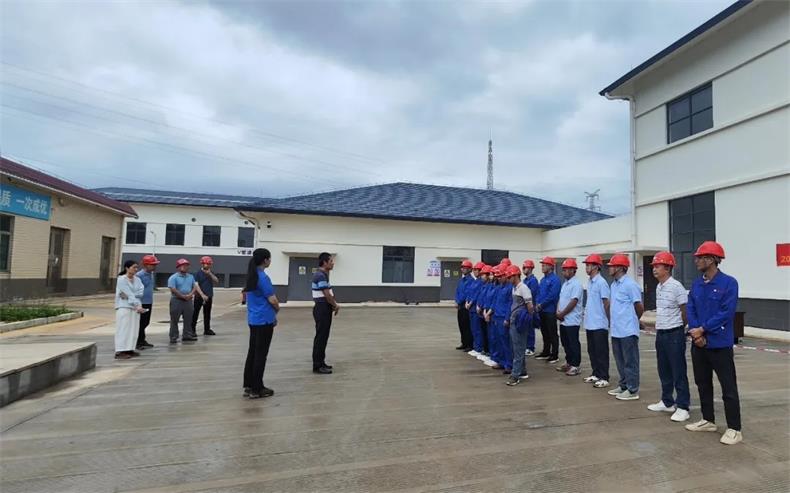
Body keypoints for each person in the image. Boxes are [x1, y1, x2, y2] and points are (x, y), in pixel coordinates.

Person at [684, 241, 742, 445]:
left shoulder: (729, 283)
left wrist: (703, 329)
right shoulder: (697, 284)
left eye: (700, 258)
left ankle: (734, 428)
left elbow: (726, 312)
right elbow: (691, 308)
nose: (697, 261)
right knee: (702, 383)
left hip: (719, 345)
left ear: (711, 260)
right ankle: (708, 420)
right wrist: (696, 333)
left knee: (728, 387)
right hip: (699, 343)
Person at [648, 251, 691, 423]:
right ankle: (667, 401)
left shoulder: (676, 286)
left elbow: (685, 311)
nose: (654, 269)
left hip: (674, 333)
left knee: (678, 371)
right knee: (663, 369)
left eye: (657, 266)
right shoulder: (659, 287)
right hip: (661, 332)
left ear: (667, 268)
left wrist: (680, 327)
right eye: (654, 266)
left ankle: (683, 406)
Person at [242, 248, 280, 399]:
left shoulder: (251, 276)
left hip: (253, 319)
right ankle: (257, 388)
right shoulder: (263, 278)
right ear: (265, 260)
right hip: (264, 321)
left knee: (252, 352)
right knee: (260, 354)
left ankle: (249, 385)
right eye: (269, 259)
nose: (270, 261)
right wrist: (277, 309)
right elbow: (272, 299)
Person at [606, 253, 644, 401]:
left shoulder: (630, 285)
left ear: (621, 268)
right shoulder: (614, 285)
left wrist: (634, 320)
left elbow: (639, 306)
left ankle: (632, 389)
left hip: (628, 330)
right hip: (616, 330)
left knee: (630, 361)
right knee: (620, 360)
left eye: (612, 266)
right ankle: (623, 385)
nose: (609, 268)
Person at [582, 254, 611, 388]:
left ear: (596, 267)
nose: (586, 267)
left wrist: (609, 320)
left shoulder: (601, 282)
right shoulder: (590, 282)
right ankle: (596, 373)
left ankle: (604, 377)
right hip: (590, 323)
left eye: (588, 265)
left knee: (601, 352)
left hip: (599, 323)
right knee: (592, 350)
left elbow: (606, 303)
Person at [506, 264, 534, 386]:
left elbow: (530, 307)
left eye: (509, 277)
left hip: (519, 323)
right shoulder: (514, 288)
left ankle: (515, 375)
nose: (508, 279)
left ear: (515, 276)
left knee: (518, 349)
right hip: (514, 321)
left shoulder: (524, 288)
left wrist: (525, 319)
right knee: (516, 347)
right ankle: (522, 371)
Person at [312, 252, 339, 374]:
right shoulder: (320, 275)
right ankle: (317, 365)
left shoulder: (323, 275)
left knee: (323, 337)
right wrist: (335, 305)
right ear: (324, 262)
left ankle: (321, 362)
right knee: (321, 337)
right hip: (322, 308)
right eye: (331, 261)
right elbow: (327, 295)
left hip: (324, 308)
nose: (333, 263)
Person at [556, 258, 583, 376]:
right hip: (563, 320)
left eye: (566, 269)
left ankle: (575, 365)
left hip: (572, 320)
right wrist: (558, 311)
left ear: (573, 270)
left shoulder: (576, 284)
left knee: (573, 343)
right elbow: (561, 299)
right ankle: (569, 362)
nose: (564, 272)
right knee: (565, 342)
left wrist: (562, 314)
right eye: (563, 270)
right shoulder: (565, 284)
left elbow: (574, 301)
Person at [115, 260, 147, 360]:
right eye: (134, 267)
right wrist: (134, 301)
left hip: (135, 308)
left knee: (133, 329)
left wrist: (130, 297)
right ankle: (120, 350)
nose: (136, 269)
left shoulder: (138, 280)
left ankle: (130, 349)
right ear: (127, 268)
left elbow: (140, 293)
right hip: (124, 307)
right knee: (124, 329)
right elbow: (127, 293)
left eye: (137, 267)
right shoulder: (121, 279)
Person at [535, 257, 561, 364]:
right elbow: (539, 293)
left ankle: (554, 354)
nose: (542, 267)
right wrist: (537, 303)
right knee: (544, 332)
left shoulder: (555, 280)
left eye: (545, 265)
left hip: (550, 310)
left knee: (552, 332)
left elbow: (553, 296)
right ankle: (546, 351)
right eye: (542, 265)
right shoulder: (542, 280)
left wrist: (541, 304)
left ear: (551, 266)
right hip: (542, 310)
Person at [168, 258, 197, 343]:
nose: (185, 267)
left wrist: (190, 295)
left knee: (188, 319)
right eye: (183, 265)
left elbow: (194, 287)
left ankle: (187, 335)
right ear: (178, 267)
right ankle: (173, 336)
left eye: (186, 265)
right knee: (174, 320)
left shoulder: (191, 277)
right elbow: (173, 289)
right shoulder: (173, 277)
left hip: (188, 301)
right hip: (176, 300)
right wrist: (182, 296)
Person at [493, 264, 514, 374]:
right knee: (499, 341)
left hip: (503, 317)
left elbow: (510, 304)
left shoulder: (510, 288)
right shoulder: (499, 287)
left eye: (501, 276)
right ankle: (501, 361)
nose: (499, 278)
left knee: (506, 342)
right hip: (497, 316)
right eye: (498, 277)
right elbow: (496, 302)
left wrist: (507, 318)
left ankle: (508, 364)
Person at [135, 254, 159, 349]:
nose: (154, 266)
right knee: (140, 323)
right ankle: (137, 342)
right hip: (141, 303)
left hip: (148, 302)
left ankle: (142, 339)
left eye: (155, 264)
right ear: (145, 265)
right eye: (152, 264)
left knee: (146, 322)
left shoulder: (151, 274)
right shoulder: (139, 275)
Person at [192, 256, 219, 336]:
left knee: (207, 313)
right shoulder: (197, 273)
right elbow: (196, 285)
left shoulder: (211, 273)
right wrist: (202, 295)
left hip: (209, 296)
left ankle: (207, 329)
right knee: (195, 313)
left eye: (208, 264)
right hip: (199, 296)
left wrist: (210, 274)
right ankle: (192, 330)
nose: (206, 265)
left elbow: (216, 281)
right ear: (202, 264)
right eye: (205, 264)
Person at [465, 262, 485, 358]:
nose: (475, 272)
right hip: (471, 309)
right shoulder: (475, 281)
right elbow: (470, 292)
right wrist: (467, 301)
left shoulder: (481, 282)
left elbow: (477, 294)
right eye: (474, 270)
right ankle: (475, 346)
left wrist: (471, 302)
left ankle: (479, 348)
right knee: (473, 328)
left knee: (478, 329)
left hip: (475, 307)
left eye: (477, 270)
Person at [454, 259, 474, 351]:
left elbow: (466, 293)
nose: (463, 269)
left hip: (465, 306)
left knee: (467, 326)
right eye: (462, 267)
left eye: (465, 268)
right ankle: (464, 343)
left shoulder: (471, 281)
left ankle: (469, 344)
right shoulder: (461, 280)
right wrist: (456, 300)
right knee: (461, 325)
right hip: (460, 306)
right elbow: (458, 291)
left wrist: (459, 301)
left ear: (470, 269)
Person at [521, 260, 539, 356]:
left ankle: (530, 347)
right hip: (524, 307)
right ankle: (526, 346)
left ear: (531, 269)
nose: (523, 269)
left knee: (530, 328)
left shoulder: (533, 281)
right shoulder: (525, 281)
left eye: (525, 268)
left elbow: (532, 294)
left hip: (530, 307)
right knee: (525, 328)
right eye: (523, 268)